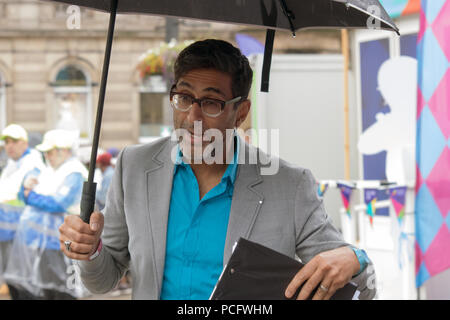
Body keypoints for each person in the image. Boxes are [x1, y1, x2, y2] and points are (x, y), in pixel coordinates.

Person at [60, 39, 376, 300]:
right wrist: (89, 250)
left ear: (241, 112)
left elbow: (362, 288)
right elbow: (103, 278)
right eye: (184, 98)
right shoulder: (134, 166)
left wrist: (354, 259)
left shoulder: (289, 185)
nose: (192, 117)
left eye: (211, 103)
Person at [3, 129, 88, 299]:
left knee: (65, 292)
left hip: (65, 246)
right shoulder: (50, 170)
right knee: (47, 289)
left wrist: (31, 195)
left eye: (50, 152)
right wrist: (26, 191)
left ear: (63, 151)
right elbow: (23, 193)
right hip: (46, 246)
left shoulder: (74, 173)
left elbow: (58, 203)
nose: (47, 156)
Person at [0, 124, 45, 296]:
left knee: (27, 287)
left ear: (24, 143)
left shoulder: (32, 165)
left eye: (14, 141)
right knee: (14, 284)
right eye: (6, 142)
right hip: (8, 236)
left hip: (24, 238)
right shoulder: (11, 166)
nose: (9, 146)